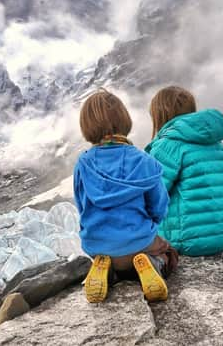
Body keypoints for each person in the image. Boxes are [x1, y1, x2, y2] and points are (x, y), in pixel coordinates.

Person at [73, 89, 175, 303]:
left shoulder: (83, 164)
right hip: (140, 243)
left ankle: (107, 272)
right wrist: (150, 225)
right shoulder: (143, 160)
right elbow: (159, 206)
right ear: (124, 120)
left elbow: (82, 207)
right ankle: (152, 266)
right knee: (169, 252)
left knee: (111, 256)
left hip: (98, 246)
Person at [145, 86, 223, 257]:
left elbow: (151, 196)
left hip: (189, 242)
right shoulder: (217, 144)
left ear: (161, 115)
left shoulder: (168, 146)